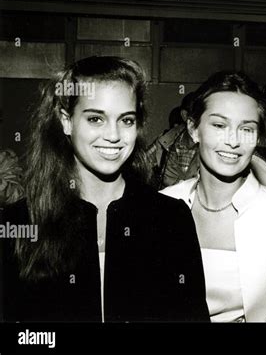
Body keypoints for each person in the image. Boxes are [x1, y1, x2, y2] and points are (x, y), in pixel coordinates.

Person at [0, 56, 209, 322]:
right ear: (66, 121)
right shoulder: (20, 223)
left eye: (126, 120)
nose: (113, 135)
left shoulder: (170, 218)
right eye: (96, 119)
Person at [161, 71, 266, 322]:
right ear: (194, 129)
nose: (233, 141)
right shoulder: (160, 207)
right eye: (219, 125)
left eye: (247, 128)